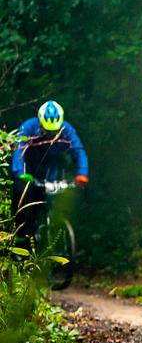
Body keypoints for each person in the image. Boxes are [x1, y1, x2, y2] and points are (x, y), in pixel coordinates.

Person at [11, 100, 88, 245]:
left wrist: (82, 173)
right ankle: (20, 237)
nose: (51, 134)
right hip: (28, 174)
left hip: (51, 174)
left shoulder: (66, 130)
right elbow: (18, 149)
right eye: (48, 131)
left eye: (54, 131)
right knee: (22, 197)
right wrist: (20, 172)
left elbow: (78, 151)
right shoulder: (29, 127)